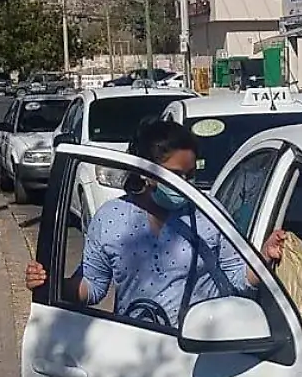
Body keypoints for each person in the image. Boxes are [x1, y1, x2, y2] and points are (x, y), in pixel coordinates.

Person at [25, 120, 283, 330]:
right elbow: (92, 286)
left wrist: (264, 258)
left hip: (202, 349)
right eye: (176, 175)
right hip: (140, 350)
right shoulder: (110, 219)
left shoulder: (209, 212)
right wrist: (50, 281)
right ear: (145, 171)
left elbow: (237, 279)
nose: (185, 185)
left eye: (189, 176)